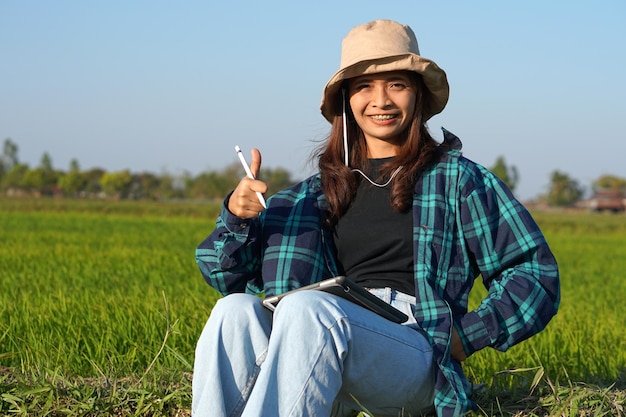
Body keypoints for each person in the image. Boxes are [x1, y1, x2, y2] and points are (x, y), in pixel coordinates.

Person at [192, 19, 560, 417]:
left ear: (417, 96)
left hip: (414, 349)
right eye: (365, 86)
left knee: (307, 309)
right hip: (315, 344)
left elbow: (534, 273)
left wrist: (467, 336)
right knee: (233, 311)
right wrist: (236, 217)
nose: (380, 100)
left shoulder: (459, 181)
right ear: (347, 100)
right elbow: (225, 277)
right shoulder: (309, 196)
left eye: (396, 85)